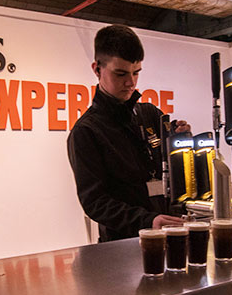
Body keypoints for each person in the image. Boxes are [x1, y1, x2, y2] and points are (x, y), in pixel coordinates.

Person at [67, 25, 190, 242]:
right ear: (97, 69)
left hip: (170, 236)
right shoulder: (86, 132)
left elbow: (176, 173)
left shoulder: (151, 115)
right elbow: (95, 202)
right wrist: (147, 221)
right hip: (121, 247)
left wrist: (182, 142)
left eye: (136, 73)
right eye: (121, 74)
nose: (131, 82)